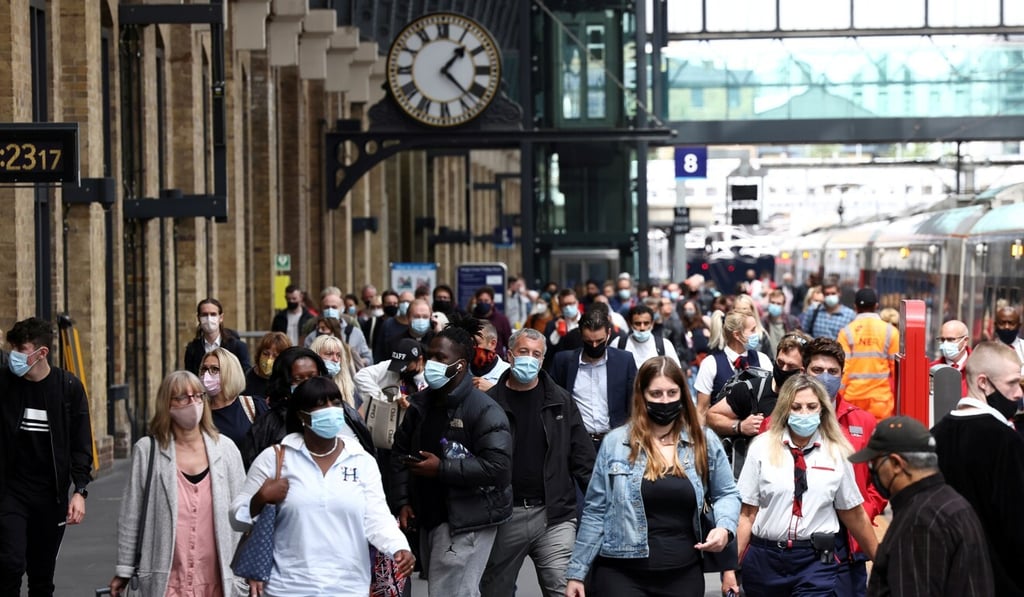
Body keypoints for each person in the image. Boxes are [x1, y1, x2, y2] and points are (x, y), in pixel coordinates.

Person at [565, 357, 741, 596]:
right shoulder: (616, 443)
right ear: (642, 395)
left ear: (682, 393)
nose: (665, 401)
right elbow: (596, 510)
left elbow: (727, 493)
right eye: (656, 394)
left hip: (683, 572)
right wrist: (577, 572)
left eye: (672, 392)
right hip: (621, 572)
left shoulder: (703, 441)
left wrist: (724, 528)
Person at [232, 377, 414, 596]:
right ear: (301, 415)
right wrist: (260, 498)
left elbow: (377, 517)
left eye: (335, 403)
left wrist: (398, 546)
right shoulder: (275, 459)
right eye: (320, 404)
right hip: (287, 587)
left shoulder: (361, 460)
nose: (331, 410)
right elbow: (236, 519)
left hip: (347, 587)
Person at [389, 318, 513, 597]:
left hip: (468, 518)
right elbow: (400, 453)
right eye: (430, 356)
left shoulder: (484, 410)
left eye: (440, 358)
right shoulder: (420, 405)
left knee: (453, 592)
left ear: (460, 365)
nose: (431, 363)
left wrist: (441, 469)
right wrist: (402, 501)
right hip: (429, 515)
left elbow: (498, 467)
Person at [736, 374, 878, 596]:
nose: (804, 413)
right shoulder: (761, 447)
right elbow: (747, 514)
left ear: (822, 410)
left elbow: (853, 513)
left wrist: (881, 562)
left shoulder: (837, 452)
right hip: (765, 558)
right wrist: (730, 568)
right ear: (785, 410)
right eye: (796, 407)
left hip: (815, 560)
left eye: (811, 407)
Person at [109, 370, 246, 597]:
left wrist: (247, 570)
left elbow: (243, 514)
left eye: (198, 396)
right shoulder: (148, 450)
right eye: (182, 397)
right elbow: (131, 514)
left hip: (218, 581)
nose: (192, 403)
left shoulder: (226, 449)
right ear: (167, 404)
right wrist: (124, 569)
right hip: (165, 581)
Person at [480, 328, 595, 597]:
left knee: (564, 589)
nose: (529, 359)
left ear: (543, 360)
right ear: (509, 356)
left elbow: (584, 460)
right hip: (504, 516)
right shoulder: (488, 404)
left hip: (554, 515)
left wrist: (604, 505)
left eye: (536, 354)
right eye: (523, 352)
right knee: (495, 590)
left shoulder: (561, 401)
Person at [848, 416, 994, 597]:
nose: (872, 471)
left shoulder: (920, 521)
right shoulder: (952, 503)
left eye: (874, 463)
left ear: (896, 464)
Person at [0, 318, 92, 596]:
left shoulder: (68, 388)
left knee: (41, 576)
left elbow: (81, 445)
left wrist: (80, 491)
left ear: (42, 353)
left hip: (50, 497)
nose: (14, 355)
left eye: (21, 349)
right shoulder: (4, 383)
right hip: (10, 493)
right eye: (13, 348)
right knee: (10, 564)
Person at [931, 341, 1024, 595]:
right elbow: (1016, 525)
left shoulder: (935, 436)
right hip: (998, 582)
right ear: (983, 382)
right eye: (1012, 383)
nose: (1018, 393)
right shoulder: (1006, 442)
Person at [240, 347, 371, 469]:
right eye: (299, 379)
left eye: (313, 377)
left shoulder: (343, 410)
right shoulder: (270, 424)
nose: (308, 384)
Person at [707, 332, 809, 460]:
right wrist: (739, 426)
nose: (783, 369)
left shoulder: (809, 400)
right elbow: (711, 416)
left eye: (791, 366)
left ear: (803, 370)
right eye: (780, 363)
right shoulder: (751, 390)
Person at [551, 310, 637, 452]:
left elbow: (634, 402)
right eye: (589, 342)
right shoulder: (563, 362)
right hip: (577, 444)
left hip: (616, 442)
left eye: (599, 341)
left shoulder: (624, 361)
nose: (595, 346)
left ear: (608, 334)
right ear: (580, 335)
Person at [695, 311, 773, 420]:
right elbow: (701, 410)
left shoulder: (762, 359)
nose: (757, 334)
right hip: (720, 428)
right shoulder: (710, 363)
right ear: (737, 335)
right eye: (752, 330)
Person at [835, 288, 898, 421]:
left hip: (853, 399)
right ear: (876, 306)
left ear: (855, 307)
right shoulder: (890, 331)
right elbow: (897, 371)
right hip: (880, 399)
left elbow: (843, 368)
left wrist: (839, 397)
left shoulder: (846, 332)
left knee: (855, 432)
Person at [202, 347, 268, 448]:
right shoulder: (198, 411)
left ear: (230, 373)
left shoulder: (253, 406)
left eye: (215, 369)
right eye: (204, 369)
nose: (207, 375)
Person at [183, 297, 252, 374]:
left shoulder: (238, 347)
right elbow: (190, 377)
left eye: (213, 314)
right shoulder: (192, 349)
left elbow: (246, 374)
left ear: (221, 317)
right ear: (198, 318)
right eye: (204, 314)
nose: (209, 318)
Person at [618, 304, 682, 370]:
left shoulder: (665, 344)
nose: (642, 328)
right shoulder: (619, 343)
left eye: (646, 323)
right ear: (630, 324)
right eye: (637, 323)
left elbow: (676, 371)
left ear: (652, 324)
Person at [311, 334, 361, 413]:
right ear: (316, 355)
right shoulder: (308, 387)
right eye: (329, 354)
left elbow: (359, 418)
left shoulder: (348, 387)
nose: (335, 359)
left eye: (338, 355)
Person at [243, 331, 292, 403]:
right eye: (266, 354)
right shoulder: (245, 380)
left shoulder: (287, 382)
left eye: (275, 356)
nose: (269, 360)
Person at [543, 288, 583, 369]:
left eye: (571, 303)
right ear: (560, 307)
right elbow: (546, 350)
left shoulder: (586, 322)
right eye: (564, 305)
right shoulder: (552, 325)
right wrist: (557, 332)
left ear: (577, 303)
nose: (568, 307)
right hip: (560, 368)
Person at [929, 319, 971, 397]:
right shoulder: (931, 370)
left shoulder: (978, 368)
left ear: (965, 341)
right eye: (942, 340)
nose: (945, 344)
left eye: (951, 339)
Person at [471, 286, 513, 356]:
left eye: (486, 301)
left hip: (497, 358)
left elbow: (509, 343)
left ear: (492, 302)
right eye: (480, 300)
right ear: (477, 302)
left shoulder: (502, 320)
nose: (483, 303)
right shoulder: (471, 319)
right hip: (475, 358)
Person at [471, 320, 511, 392]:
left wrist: (493, 390)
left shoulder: (509, 374)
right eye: (468, 343)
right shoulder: (461, 371)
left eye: (476, 343)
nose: (471, 347)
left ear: (492, 344)